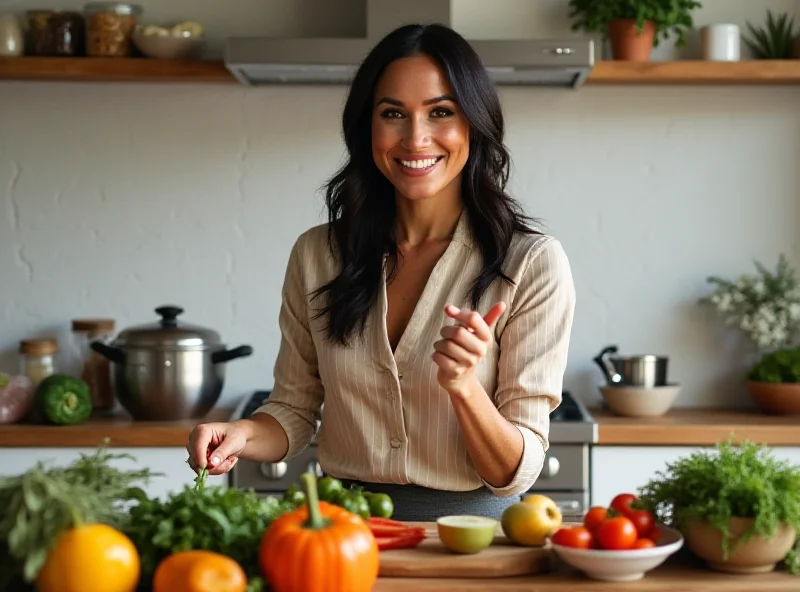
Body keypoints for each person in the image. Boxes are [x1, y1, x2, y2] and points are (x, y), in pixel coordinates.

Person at [187, 22, 576, 521]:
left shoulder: (531, 263)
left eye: (440, 112)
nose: (416, 138)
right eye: (393, 113)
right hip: (341, 528)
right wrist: (241, 433)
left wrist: (463, 386)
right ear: (367, 127)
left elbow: (514, 472)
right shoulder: (317, 255)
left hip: (471, 539)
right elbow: (294, 411)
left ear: (473, 124)